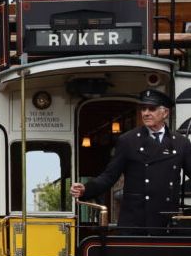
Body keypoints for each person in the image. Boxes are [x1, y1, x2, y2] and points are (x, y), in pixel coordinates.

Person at [70, 89, 191, 229]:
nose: (146, 113)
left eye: (151, 109)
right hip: (136, 222)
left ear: (165, 113)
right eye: (143, 108)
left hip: (167, 222)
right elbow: (109, 176)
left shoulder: (181, 143)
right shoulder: (128, 140)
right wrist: (85, 189)